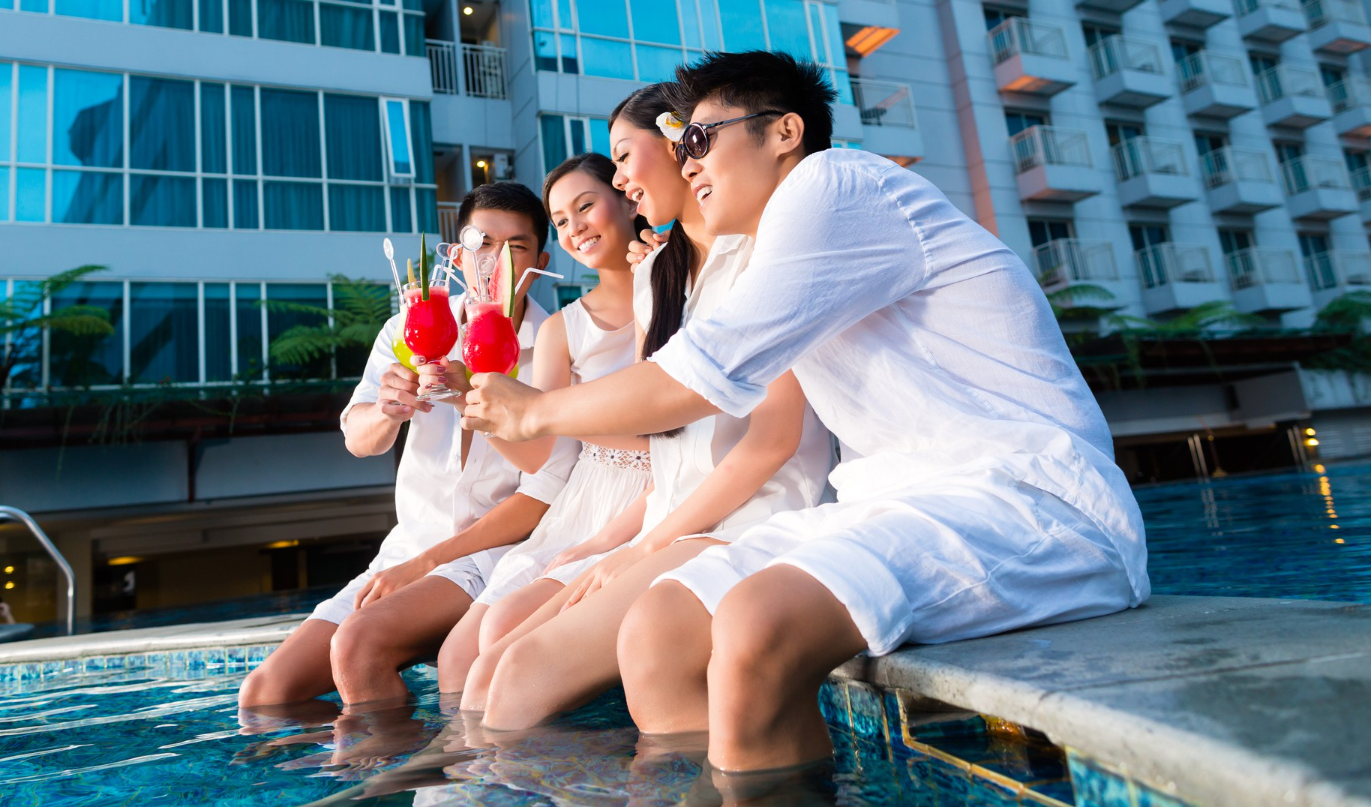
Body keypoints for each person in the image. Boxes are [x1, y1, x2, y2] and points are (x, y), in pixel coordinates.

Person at [461, 51, 1150, 773]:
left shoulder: (835, 184)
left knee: (757, 622)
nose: (686, 161)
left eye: (699, 140)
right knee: (657, 629)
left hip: (1033, 500)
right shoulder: (764, 248)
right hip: (889, 503)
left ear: (785, 132)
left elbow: (703, 379)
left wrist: (536, 412)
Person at [455, 85, 832, 727]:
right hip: (671, 520)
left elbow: (771, 442)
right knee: (488, 669)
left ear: (683, 141)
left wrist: (640, 546)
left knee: (519, 674)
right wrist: (613, 540)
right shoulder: (658, 280)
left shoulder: (765, 255)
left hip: (744, 519)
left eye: (626, 157)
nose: (623, 177)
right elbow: (669, 444)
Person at [239, 182, 578, 710]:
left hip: (497, 553)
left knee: (357, 646)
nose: (495, 261)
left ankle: (420, 779)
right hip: (409, 545)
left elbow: (550, 492)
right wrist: (388, 409)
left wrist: (424, 567)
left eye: (516, 247)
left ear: (541, 260)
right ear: (457, 254)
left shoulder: (560, 343)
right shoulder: (412, 327)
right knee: (265, 695)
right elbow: (360, 440)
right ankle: (369, 775)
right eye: (482, 243)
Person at [431, 153, 653, 694]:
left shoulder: (676, 288)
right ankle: (472, 779)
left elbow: (664, 424)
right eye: (561, 219)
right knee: (456, 657)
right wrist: (476, 405)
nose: (576, 226)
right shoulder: (561, 329)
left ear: (628, 196)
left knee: (503, 636)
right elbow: (547, 455)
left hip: (651, 492)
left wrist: (547, 411)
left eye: (586, 206)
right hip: (587, 496)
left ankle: (527, 768)